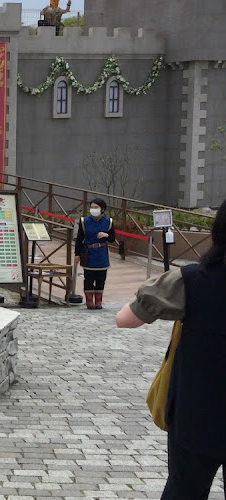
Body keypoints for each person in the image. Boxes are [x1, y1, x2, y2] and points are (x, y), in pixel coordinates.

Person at [115, 198, 226, 499]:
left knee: (185, 490)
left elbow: (125, 319)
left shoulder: (191, 282)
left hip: (198, 415)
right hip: (196, 416)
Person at [74, 198, 116, 309]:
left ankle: (98, 301)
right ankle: (89, 301)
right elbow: (79, 239)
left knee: (101, 278)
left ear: (102, 209)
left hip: (102, 253)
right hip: (89, 253)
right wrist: (77, 254)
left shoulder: (108, 222)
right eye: (92, 207)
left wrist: (106, 235)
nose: (93, 209)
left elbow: (112, 238)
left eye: (96, 207)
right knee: (89, 278)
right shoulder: (84, 221)